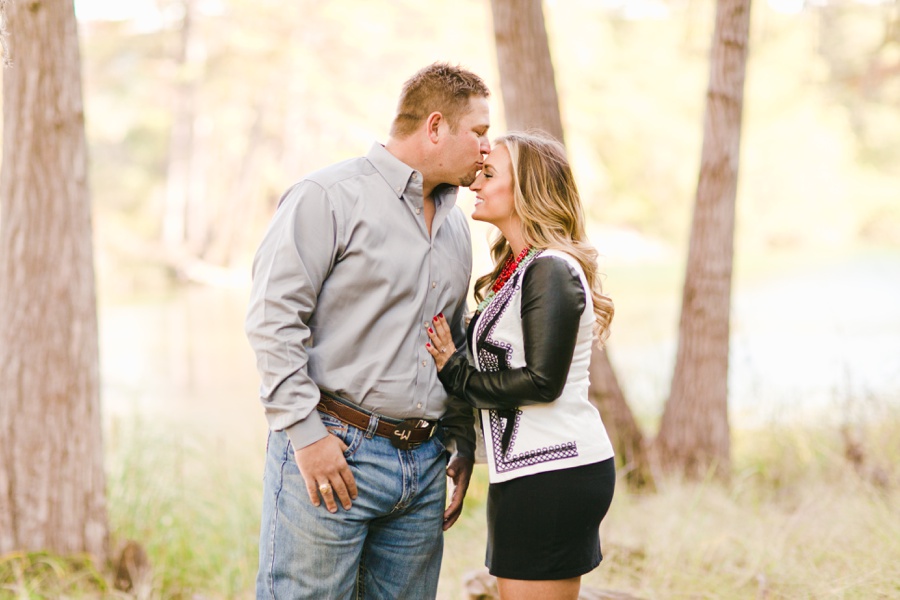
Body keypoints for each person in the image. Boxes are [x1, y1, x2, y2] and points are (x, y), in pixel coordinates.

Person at [245, 62, 491, 599]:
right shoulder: (327, 196)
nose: (486, 149)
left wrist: (459, 438)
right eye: (478, 133)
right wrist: (307, 438)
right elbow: (273, 319)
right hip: (335, 451)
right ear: (434, 127)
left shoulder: (455, 225)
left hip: (423, 468)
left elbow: (447, 338)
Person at [426, 131, 617, 600]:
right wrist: (467, 447)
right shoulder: (521, 269)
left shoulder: (551, 269)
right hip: (528, 473)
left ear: (526, 191)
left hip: (554, 472)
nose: (476, 182)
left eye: (490, 175)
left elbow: (543, 382)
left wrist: (454, 369)